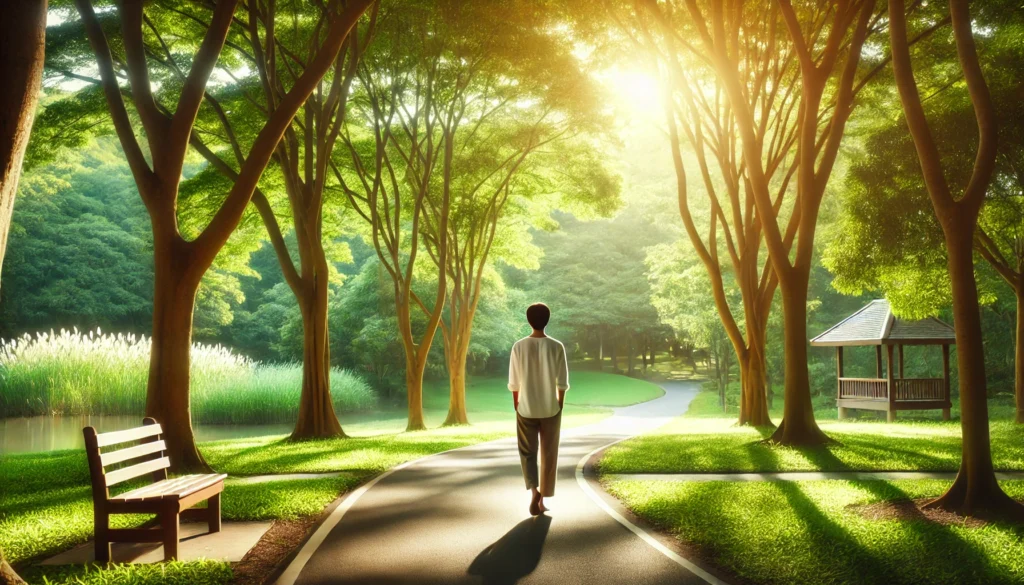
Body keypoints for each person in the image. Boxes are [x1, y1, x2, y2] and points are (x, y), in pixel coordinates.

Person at [508, 302, 569, 516]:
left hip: (526, 407)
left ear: (528, 320)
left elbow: (514, 382)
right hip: (550, 408)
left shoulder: (518, 346)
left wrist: (517, 403)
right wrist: (559, 403)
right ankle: (543, 498)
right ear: (547, 320)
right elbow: (562, 382)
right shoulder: (556, 346)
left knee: (527, 452)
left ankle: (533, 491)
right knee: (549, 452)